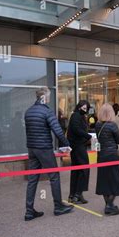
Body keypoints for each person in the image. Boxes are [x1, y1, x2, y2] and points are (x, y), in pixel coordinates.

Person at [24, 87, 73, 221]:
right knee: (54, 176)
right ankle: (58, 207)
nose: (50, 98)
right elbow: (57, 130)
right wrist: (67, 144)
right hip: (44, 148)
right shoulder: (47, 112)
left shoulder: (28, 112)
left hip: (32, 148)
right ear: (44, 97)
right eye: (49, 96)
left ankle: (29, 211)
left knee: (33, 179)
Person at [95, 104, 119, 215]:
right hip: (112, 155)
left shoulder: (98, 125)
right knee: (116, 181)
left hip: (101, 155)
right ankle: (109, 205)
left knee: (104, 181)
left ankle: (109, 204)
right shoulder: (112, 125)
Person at [67, 100, 92, 205]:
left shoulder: (79, 116)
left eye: (86, 109)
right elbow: (77, 129)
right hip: (78, 146)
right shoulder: (76, 116)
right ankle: (77, 194)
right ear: (79, 107)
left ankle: (75, 194)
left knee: (77, 170)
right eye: (84, 108)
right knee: (84, 169)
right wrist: (88, 136)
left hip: (78, 146)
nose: (85, 110)